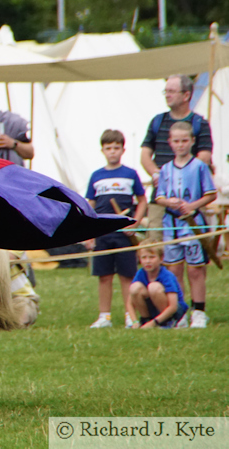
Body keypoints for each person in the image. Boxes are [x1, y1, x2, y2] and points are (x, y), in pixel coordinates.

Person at [154, 121, 216, 328]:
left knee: (195, 269)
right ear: (170, 143)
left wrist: (192, 206)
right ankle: (179, 310)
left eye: (184, 141)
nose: (180, 145)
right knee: (174, 269)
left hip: (192, 223)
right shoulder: (165, 169)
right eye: (176, 141)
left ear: (192, 141)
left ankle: (198, 310)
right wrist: (168, 202)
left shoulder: (199, 166)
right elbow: (159, 196)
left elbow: (210, 193)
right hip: (171, 224)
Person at [85, 130, 147, 329]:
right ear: (102, 150)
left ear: (123, 149)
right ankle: (105, 316)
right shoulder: (96, 176)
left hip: (124, 234)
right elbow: (90, 204)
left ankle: (130, 314)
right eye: (108, 148)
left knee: (127, 275)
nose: (112, 152)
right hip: (103, 232)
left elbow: (142, 200)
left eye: (116, 148)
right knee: (104, 276)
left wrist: (135, 223)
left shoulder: (130, 174)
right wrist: (89, 231)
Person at [141, 74, 213, 243]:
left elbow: (204, 157)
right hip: (161, 200)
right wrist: (157, 175)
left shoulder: (199, 123)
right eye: (165, 91)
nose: (167, 95)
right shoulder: (157, 122)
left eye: (172, 91)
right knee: (157, 247)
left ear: (186, 95)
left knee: (194, 252)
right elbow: (145, 155)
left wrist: (178, 177)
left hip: (190, 200)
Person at [129, 244, 189, 329]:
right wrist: (134, 321)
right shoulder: (141, 273)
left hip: (174, 311)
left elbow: (173, 306)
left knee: (154, 287)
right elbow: (130, 301)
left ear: (161, 259)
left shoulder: (166, 275)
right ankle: (146, 320)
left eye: (152, 257)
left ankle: (168, 321)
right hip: (154, 309)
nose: (148, 261)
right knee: (135, 287)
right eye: (144, 257)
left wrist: (154, 322)